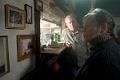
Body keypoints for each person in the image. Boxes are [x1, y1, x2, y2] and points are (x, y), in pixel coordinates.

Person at [75, 8, 120, 80]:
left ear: (103, 28)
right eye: (83, 26)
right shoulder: (103, 47)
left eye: (87, 26)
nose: (83, 30)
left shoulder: (106, 60)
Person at [56, 14, 88, 80]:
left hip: (83, 62)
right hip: (72, 62)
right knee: (74, 78)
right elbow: (61, 42)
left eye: (73, 21)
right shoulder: (64, 32)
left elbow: (89, 46)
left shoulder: (83, 32)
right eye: (69, 23)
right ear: (66, 24)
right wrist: (65, 44)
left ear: (76, 22)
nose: (72, 24)